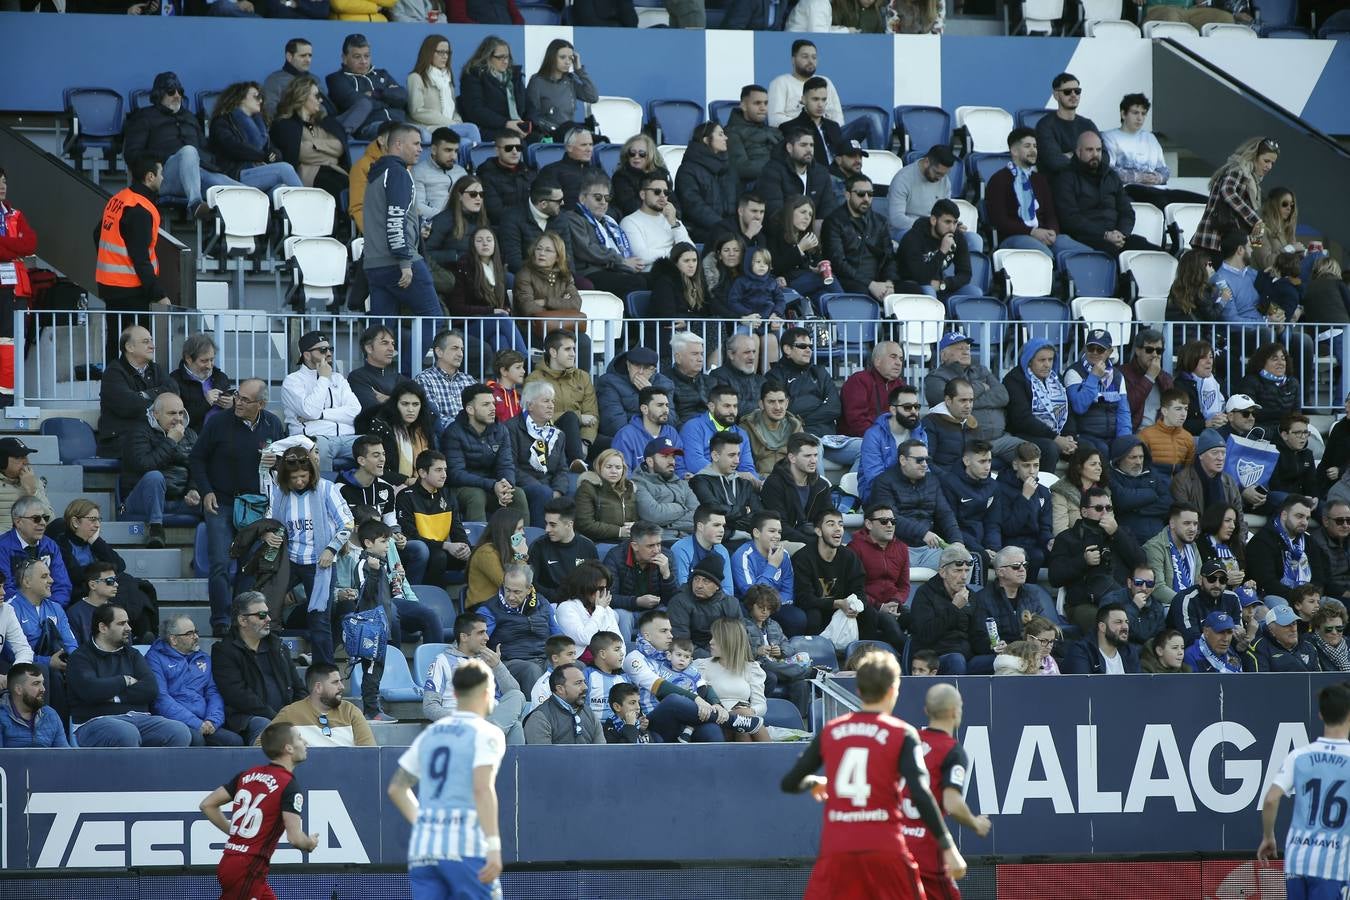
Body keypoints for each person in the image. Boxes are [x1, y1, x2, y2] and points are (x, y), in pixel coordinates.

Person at [781, 649, 963, 900]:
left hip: (837, 851)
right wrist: (948, 846)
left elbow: (790, 782)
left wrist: (816, 782)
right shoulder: (903, 733)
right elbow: (922, 795)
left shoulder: (831, 730)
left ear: (858, 690)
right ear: (893, 689)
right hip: (885, 850)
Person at [393, 657, 507, 899]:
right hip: (465, 848)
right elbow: (482, 789)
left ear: (454, 693)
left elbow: (397, 789)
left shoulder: (431, 733)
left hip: (424, 850)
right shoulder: (487, 732)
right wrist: (494, 847)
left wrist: (424, 823)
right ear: (488, 692)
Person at [190, 380, 285, 636]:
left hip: (256, 506)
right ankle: (221, 622)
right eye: (237, 397)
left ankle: (240, 621)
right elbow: (196, 458)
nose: (238, 403)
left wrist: (277, 461)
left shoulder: (273, 425)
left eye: (245, 400)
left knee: (249, 566)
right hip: (221, 501)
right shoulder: (218, 422)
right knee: (220, 563)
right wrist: (206, 490)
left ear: (261, 404)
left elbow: (286, 464)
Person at [200, 723, 317, 899]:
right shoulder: (288, 785)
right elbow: (295, 838)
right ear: (289, 748)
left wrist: (235, 832)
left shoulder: (246, 775)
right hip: (248, 868)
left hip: (233, 863)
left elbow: (207, 805)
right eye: (300, 737)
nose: (305, 742)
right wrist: (310, 843)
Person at [1258, 681, 1350, 893]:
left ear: (1321, 715)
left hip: (1297, 860)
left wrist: (1268, 836)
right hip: (1333, 865)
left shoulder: (1298, 756)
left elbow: (1271, 798)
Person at [268, 444, 354, 666]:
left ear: (312, 473)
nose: (299, 481)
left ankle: (325, 669)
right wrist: (269, 535)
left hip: (320, 562)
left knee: (319, 619)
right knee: (267, 608)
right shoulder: (280, 493)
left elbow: (347, 523)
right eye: (294, 477)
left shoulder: (327, 489)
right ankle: (271, 661)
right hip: (289, 559)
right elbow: (271, 522)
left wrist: (331, 548)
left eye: (303, 476)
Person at [66, 604, 191, 747]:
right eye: (121, 623)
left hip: (139, 719)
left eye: (128, 622)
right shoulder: (80, 657)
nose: (129, 628)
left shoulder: (133, 654)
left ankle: (161, 770)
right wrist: (125, 680)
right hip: (94, 722)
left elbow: (150, 689)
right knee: (127, 732)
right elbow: (91, 690)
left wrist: (113, 696)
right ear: (103, 628)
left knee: (179, 731)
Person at [364, 125, 441, 354]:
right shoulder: (398, 173)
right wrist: (405, 262)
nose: (421, 149)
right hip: (398, 262)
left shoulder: (377, 173)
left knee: (380, 331)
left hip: (374, 265)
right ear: (398, 145)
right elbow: (395, 219)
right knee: (433, 318)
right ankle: (408, 374)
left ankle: (378, 377)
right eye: (416, 143)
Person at [1047, 485, 1146, 636]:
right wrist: (1083, 561)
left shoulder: (1122, 533)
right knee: (1108, 626)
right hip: (1084, 603)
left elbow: (1141, 563)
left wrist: (1117, 534)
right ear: (1084, 512)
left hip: (1120, 599)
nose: (1105, 513)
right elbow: (1054, 577)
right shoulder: (1067, 538)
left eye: (1109, 508)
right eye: (1099, 508)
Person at [211, 592, 306, 746]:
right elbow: (238, 695)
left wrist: (299, 712)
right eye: (261, 615)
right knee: (265, 726)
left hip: (285, 715)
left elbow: (298, 687)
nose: (268, 619)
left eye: (268, 614)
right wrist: (278, 718)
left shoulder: (278, 646)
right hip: (247, 719)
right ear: (242, 620)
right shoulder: (224, 651)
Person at [422, 612, 526, 745]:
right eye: (481, 633)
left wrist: (498, 666)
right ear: (464, 637)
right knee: (515, 726)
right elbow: (430, 706)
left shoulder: (488, 660)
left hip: (489, 717)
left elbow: (514, 695)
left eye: (486, 632)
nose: (487, 638)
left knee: (517, 696)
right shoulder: (442, 661)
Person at [987, 127, 1088, 262]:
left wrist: (1052, 231)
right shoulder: (999, 180)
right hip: (1014, 237)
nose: (1033, 150)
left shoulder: (1039, 180)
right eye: (1027, 146)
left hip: (1043, 233)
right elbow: (999, 220)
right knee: (1045, 256)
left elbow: (1051, 214)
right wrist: (1031, 232)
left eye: (1035, 146)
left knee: (1085, 254)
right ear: (1014, 151)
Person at [549, 172, 649, 300]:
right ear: (582, 198)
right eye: (597, 197)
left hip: (613, 269)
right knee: (635, 282)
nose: (603, 202)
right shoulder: (573, 218)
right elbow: (587, 249)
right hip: (591, 272)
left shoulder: (608, 222)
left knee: (654, 278)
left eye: (607, 198)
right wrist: (621, 261)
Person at [121, 392, 202, 546]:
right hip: (143, 500)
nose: (178, 418)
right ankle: (156, 531)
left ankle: (206, 551)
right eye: (172, 413)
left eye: (180, 413)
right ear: (156, 414)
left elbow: (197, 467)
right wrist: (171, 441)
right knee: (154, 477)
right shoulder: (139, 431)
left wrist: (193, 489)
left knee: (217, 498)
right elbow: (145, 466)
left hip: (180, 501)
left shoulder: (191, 434)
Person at [869, 439, 962, 572]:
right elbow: (889, 518)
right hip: (896, 547)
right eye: (919, 460)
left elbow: (945, 514)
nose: (924, 464)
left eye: (926, 459)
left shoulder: (932, 480)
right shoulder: (884, 482)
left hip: (929, 549)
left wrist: (957, 541)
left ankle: (959, 594)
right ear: (903, 460)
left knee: (963, 560)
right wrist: (922, 533)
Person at [1053, 131, 1152, 256]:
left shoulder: (1111, 176)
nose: (1095, 154)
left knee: (1152, 251)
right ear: (1078, 152)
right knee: (1113, 254)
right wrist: (1104, 234)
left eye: (1098, 150)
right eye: (1089, 150)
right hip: (1086, 238)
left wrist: (1121, 233)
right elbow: (1070, 219)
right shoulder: (1065, 178)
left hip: (1117, 237)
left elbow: (1127, 211)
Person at [144, 614, 236, 747]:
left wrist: (213, 720)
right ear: (173, 639)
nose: (196, 637)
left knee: (233, 741)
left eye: (196, 632)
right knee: (196, 740)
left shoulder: (203, 658)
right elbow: (161, 699)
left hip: (204, 721)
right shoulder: (155, 658)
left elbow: (213, 692)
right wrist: (196, 723)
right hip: (174, 722)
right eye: (189, 634)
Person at [282, 330, 360, 475]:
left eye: (330, 349)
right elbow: (310, 411)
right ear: (306, 355)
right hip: (313, 438)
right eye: (323, 350)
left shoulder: (338, 379)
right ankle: (323, 491)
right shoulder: (293, 381)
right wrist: (323, 378)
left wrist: (321, 415)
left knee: (373, 445)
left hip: (347, 437)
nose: (329, 353)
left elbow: (355, 410)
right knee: (320, 447)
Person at [207, 83, 303, 198]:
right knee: (284, 169)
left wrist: (274, 155)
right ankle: (308, 206)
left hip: (257, 172)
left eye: (261, 97)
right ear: (241, 98)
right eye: (256, 96)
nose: (261, 101)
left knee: (281, 190)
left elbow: (271, 149)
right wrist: (263, 156)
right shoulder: (222, 121)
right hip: (235, 175)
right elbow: (233, 147)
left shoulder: (260, 124)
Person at [269, 75, 351, 207]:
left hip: (336, 171)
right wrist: (327, 152)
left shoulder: (326, 122)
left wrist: (314, 145)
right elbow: (299, 152)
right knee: (337, 189)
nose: (320, 100)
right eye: (316, 96)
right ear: (302, 97)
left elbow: (340, 147)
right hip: (310, 176)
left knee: (357, 188)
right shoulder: (285, 125)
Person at [97, 324, 178, 458]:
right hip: (120, 442)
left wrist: (143, 395)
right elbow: (129, 405)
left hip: (151, 438)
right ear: (129, 347)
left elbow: (174, 391)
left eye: (151, 341)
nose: (152, 346)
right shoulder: (113, 372)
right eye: (146, 342)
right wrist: (161, 403)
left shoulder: (155, 369)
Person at [479, 563, 563, 690]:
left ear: (529, 589)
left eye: (517, 592)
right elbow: (476, 640)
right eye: (507, 590)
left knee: (574, 665)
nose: (511, 596)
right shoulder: (490, 609)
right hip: (511, 661)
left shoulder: (542, 603)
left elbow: (557, 635)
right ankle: (536, 710)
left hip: (544, 658)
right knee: (532, 670)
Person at [1192, 137, 1280, 257]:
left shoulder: (1252, 179)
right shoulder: (1238, 169)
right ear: (1254, 156)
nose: (1269, 166)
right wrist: (1256, 221)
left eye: (1272, 163)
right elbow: (1228, 191)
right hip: (1213, 241)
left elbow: (1253, 218)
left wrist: (1256, 243)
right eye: (1266, 161)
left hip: (1228, 241)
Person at [1004, 339, 1077, 472]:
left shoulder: (1056, 379)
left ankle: (1076, 492)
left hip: (1056, 435)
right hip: (1024, 433)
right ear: (1029, 360)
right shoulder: (1014, 380)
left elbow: (1067, 411)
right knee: (1050, 448)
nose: (1047, 365)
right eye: (1042, 360)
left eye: (1050, 360)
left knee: (1086, 448)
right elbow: (1022, 419)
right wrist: (1055, 438)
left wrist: (1069, 436)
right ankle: (1042, 489)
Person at [821, 174, 896, 303]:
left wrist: (889, 283)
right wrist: (870, 284)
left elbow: (889, 257)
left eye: (870, 194)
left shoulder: (880, 221)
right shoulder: (833, 222)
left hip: (879, 281)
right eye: (861, 194)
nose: (866, 198)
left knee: (912, 289)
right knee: (861, 293)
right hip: (850, 280)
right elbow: (838, 262)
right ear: (848, 195)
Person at [692, 617, 769, 742]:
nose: (710, 642)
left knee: (743, 726)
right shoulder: (701, 666)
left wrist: (749, 711)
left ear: (729, 641)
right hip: (715, 719)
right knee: (742, 724)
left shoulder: (751, 668)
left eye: (715, 638)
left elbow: (761, 705)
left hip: (744, 719)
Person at [909, 544, 980, 675]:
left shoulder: (972, 596)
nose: (964, 576)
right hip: (935, 658)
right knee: (956, 660)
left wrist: (995, 648)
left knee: (997, 661)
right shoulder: (925, 594)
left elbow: (977, 636)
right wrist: (954, 608)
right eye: (958, 571)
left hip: (966, 656)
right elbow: (925, 635)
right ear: (942, 572)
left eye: (966, 570)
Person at [268, 662, 375, 747]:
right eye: (335, 682)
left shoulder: (350, 711)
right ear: (318, 687)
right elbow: (260, 746)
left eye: (341, 681)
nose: (342, 687)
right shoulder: (290, 713)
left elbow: (369, 751)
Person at [1061, 328, 1132, 457]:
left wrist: (1124, 440)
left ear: (1109, 352)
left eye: (1100, 349)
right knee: (1102, 450)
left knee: (1133, 447)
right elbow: (1079, 407)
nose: (1094, 352)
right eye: (1090, 348)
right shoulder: (1074, 372)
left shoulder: (1117, 375)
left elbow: (1123, 411)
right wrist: (1093, 377)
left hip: (1111, 435)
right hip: (1085, 434)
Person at [1246, 495, 1328, 604]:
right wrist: (1300, 599)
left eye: (1307, 518)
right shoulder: (1262, 541)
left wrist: (1311, 598)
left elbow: (1319, 576)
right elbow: (1267, 583)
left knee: (1336, 605)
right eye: (1299, 516)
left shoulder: (1309, 541)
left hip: (1309, 599)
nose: (1304, 522)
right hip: (1276, 598)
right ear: (1284, 515)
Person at [325, 34, 408, 141]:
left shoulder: (382, 74)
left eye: (367, 56)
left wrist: (377, 94)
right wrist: (390, 99)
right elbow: (357, 102)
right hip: (369, 127)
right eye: (357, 57)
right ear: (344, 58)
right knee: (396, 135)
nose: (363, 61)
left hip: (399, 123)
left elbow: (403, 97)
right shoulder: (336, 79)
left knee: (425, 135)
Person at [993, 442, 1054, 582]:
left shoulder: (1043, 492)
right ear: (1015, 465)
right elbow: (1009, 528)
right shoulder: (1000, 489)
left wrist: (1049, 540)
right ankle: (1025, 593)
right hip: (1010, 543)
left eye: (1036, 465)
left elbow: (1045, 527)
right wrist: (1025, 497)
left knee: (1065, 553)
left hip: (1035, 542)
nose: (1032, 471)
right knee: (1036, 556)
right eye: (1026, 465)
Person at [0, 497, 73, 610]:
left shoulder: (51, 546)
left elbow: (62, 586)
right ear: (18, 521)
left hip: (48, 610)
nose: (43, 523)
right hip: (14, 612)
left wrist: (49, 610)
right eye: (36, 519)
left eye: (45, 518)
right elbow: (5, 588)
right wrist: (31, 611)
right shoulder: (2, 547)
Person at [675, 122, 740, 244]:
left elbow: (738, 200)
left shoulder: (729, 168)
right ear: (706, 139)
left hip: (728, 230)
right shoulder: (687, 170)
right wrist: (723, 226)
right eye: (720, 134)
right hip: (700, 232)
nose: (726, 137)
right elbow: (693, 206)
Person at [667, 551, 743, 657]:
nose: (699, 585)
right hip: (691, 658)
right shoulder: (680, 601)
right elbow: (681, 641)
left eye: (706, 581)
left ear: (717, 586)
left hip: (726, 656)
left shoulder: (731, 604)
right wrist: (714, 659)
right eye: (696, 579)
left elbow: (740, 637)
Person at [756, 126, 837, 222]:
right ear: (789, 148)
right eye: (803, 145)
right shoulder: (772, 171)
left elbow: (828, 209)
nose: (809, 149)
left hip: (813, 231)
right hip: (783, 231)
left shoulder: (821, 172)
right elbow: (773, 213)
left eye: (811, 145)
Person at [887, 145, 963, 244]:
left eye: (944, 174)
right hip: (907, 230)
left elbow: (947, 212)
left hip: (936, 228)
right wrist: (931, 227)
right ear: (927, 162)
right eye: (937, 173)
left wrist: (953, 225)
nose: (940, 178)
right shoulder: (903, 179)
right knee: (917, 239)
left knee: (973, 239)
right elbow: (896, 219)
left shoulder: (945, 181)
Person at [525, 40, 599, 141]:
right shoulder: (537, 81)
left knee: (602, 140)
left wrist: (579, 70)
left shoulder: (570, 81)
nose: (567, 62)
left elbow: (592, 97)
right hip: (550, 134)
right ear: (551, 58)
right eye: (562, 57)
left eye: (570, 58)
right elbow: (532, 115)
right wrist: (554, 129)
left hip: (571, 134)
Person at [604, 521, 678, 615]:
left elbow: (674, 600)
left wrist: (667, 575)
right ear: (635, 546)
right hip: (626, 610)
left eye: (658, 544)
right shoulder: (615, 557)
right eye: (650, 546)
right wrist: (637, 602)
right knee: (621, 615)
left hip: (656, 610)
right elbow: (608, 597)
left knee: (670, 613)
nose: (657, 550)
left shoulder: (667, 556)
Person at [1108, 436, 1172, 545]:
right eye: (1132, 457)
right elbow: (1122, 500)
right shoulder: (1111, 476)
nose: (1138, 462)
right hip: (1130, 541)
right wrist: (1151, 494)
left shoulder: (1152, 474)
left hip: (1160, 539)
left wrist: (1136, 509)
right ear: (1119, 459)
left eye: (1141, 457)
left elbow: (1168, 503)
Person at [766, 40, 844, 128]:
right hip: (797, 136)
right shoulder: (780, 83)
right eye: (805, 57)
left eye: (814, 57)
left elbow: (837, 116)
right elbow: (775, 119)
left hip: (828, 134)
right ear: (793, 60)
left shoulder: (826, 82)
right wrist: (809, 126)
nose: (810, 61)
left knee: (862, 123)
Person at [634, 438, 699, 542]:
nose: (672, 461)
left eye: (673, 457)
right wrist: (682, 507)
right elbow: (654, 515)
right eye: (665, 456)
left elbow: (698, 518)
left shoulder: (682, 484)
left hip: (688, 540)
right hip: (660, 543)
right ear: (650, 461)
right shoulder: (638, 484)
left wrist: (666, 524)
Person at [1141, 502, 1203, 610]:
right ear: (1172, 523)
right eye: (1187, 523)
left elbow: (1200, 582)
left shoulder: (1193, 547)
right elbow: (1157, 588)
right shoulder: (1155, 547)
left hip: (1191, 607)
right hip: (1165, 608)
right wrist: (1188, 603)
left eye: (1195, 524)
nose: (1193, 529)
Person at [1035, 73, 1098, 177]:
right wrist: (1086, 156)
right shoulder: (1045, 126)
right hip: (1059, 183)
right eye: (1067, 92)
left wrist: (1071, 155)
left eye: (1077, 91)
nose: (1073, 95)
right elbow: (1055, 162)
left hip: (1088, 181)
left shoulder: (1088, 124)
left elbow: (1104, 156)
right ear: (1056, 95)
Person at [1167, 559, 1244, 645]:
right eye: (1211, 579)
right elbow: (1191, 639)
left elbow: (1236, 636)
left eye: (1222, 580)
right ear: (1200, 579)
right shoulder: (1185, 599)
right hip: (1189, 652)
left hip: (1223, 651)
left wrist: (1240, 643)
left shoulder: (1232, 598)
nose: (1217, 585)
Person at [1234, 341, 1301, 435]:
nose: (1281, 363)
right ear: (1262, 362)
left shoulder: (1293, 383)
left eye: (1283, 359)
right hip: (1259, 433)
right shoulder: (1250, 382)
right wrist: (1275, 435)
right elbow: (1246, 420)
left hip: (1286, 433)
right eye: (1275, 359)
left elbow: (1296, 415)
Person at [466, 508, 528, 608]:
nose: (523, 533)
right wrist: (521, 556)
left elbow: (526, 583)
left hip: (505, 606)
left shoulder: (509, 550)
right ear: (507, 529)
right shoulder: (486, 552)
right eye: (520, 528)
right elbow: (512, 585)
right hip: (483, 609)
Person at [575, 449, 640, 544]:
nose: (614, 471)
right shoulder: (587, 488)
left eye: (618, 468)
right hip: (597, 542)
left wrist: (635, 526)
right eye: (608, 467)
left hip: (626, 542)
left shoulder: (629, 489)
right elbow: (585, 524)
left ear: (623, 470)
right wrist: (619, 531)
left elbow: (636, 519)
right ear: (599, 467)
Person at [726, 84, 781, 188]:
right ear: (743, 106)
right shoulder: (731, 133)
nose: (763, 108)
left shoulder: (774, 131)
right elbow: (742, 168)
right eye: (757, 103)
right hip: (754, 189)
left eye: (766, 103)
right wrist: (778, 167)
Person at [923, 377, 980, 474]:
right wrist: (950, 480)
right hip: (943, 482)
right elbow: (926, 462)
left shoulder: (972, 423)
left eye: (971, 400)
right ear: (948, 401)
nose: (968, 406)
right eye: (963, 400)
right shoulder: (931, 423)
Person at [0, 663, 65, 748]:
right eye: (36, 683)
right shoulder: (2, 716)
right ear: (18, 689)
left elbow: (65, 756)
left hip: (45, 761)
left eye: (42, 683)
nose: (43, 689)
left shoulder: (50, 714)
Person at [1062, 604, 1140, 674]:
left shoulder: (1129, 652)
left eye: (1126, 622)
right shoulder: (1082, 652)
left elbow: (1137, 686)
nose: (1125, 627)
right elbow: (1083, 687)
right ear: (1102, 627)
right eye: (1118, 622)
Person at [1246, 603, 1322, 672]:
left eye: (1294, 623)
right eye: (1286, 625)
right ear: (1271, 630)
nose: (1294, 629)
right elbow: (1260, 682)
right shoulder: (1259, 648)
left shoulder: (1309, 648)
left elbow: (1319, 681)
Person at [1138, 389, 1194, 475]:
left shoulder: (1188, 438)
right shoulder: (1146, 435)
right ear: (1164, 411)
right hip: (1153, 485)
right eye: (1178, 409)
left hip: (1178, 486)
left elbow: (1188, 473)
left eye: (1186, 409)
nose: (1183, 414)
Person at [1181, 610, 1245, 674]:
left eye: (1229, 632)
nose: (1226, 639)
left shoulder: (1231, 653)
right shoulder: (1192, 655)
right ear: (1206, 632)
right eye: (1220, 632)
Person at [1309, 600, 1350, 672]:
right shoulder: (1309, 648)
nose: (1334, 632)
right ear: (1317, 629)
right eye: (1329, 629)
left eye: (1339, 628)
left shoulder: (1348, 643)